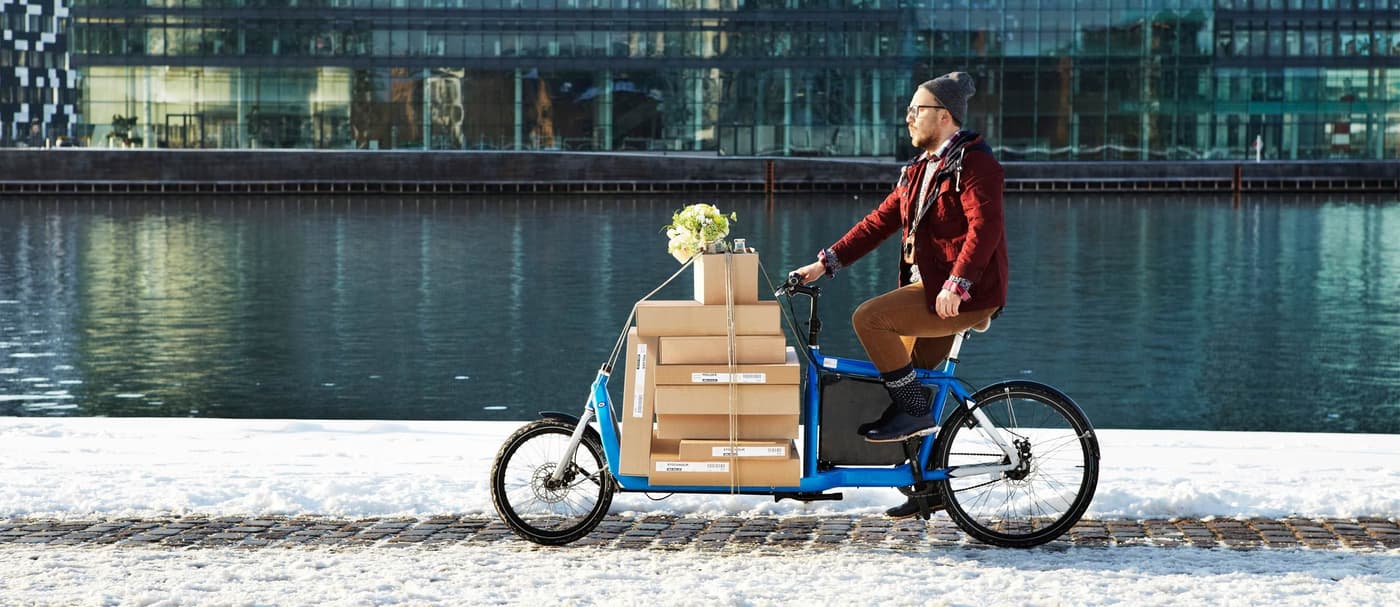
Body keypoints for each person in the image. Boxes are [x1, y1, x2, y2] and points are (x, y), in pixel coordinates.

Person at [788, 71, 1007, 518]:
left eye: (917, 110)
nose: (908, 118)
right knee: (913, 385)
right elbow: (877, 224)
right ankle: (926, 487)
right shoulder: (919, 171)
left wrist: (957, 283)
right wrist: (824, 263)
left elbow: (985, 229)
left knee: (870, 320)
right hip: (931, 290)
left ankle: (914, 417)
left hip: (959, 294)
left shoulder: (974, 163)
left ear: (944, 117)